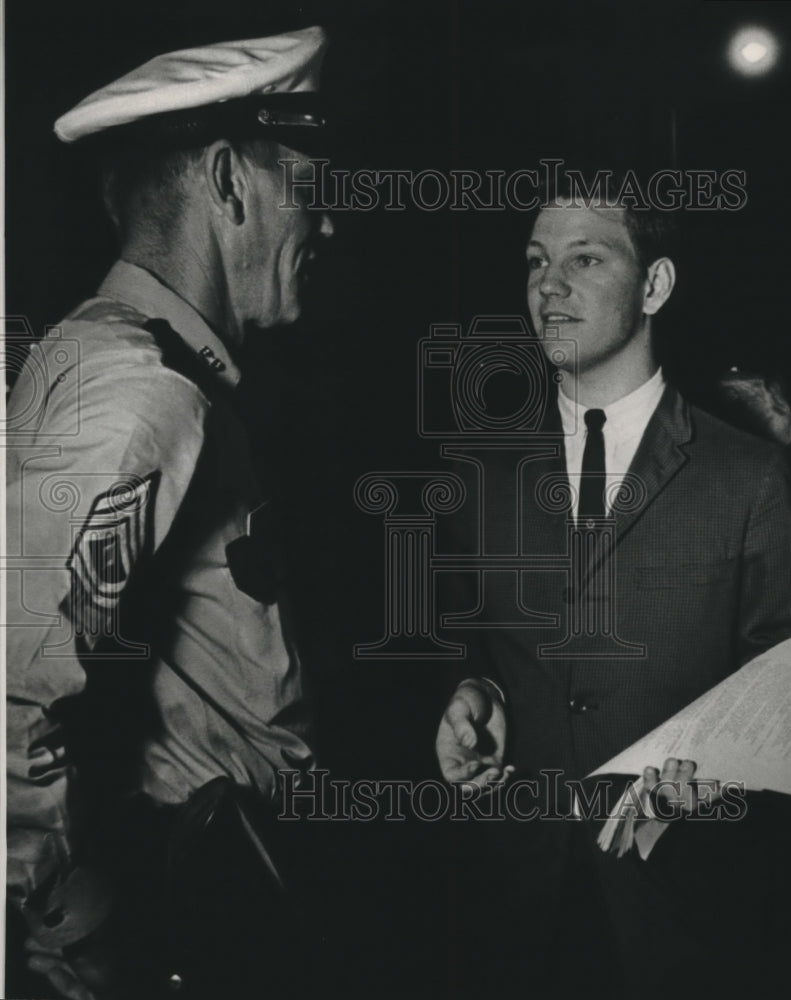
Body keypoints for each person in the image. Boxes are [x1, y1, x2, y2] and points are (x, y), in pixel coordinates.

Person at [5, 26, 333, 1000]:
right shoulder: (139, 387)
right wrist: (61, 924)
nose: (329, 224)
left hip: (231, 890)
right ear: (229, 180)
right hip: (179, 921)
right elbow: (12, 675)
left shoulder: (135, 360)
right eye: (311, 185)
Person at [435, 173, 791, 998]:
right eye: (535, 261)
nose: (549, 285)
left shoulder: (746, 474)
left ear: (656, 285)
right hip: (514, 893)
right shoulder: (480, 473)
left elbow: (790, 679)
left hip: (684, 903)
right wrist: (469, 687)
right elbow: (457, 631)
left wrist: (718, 775)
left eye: (585, 259)